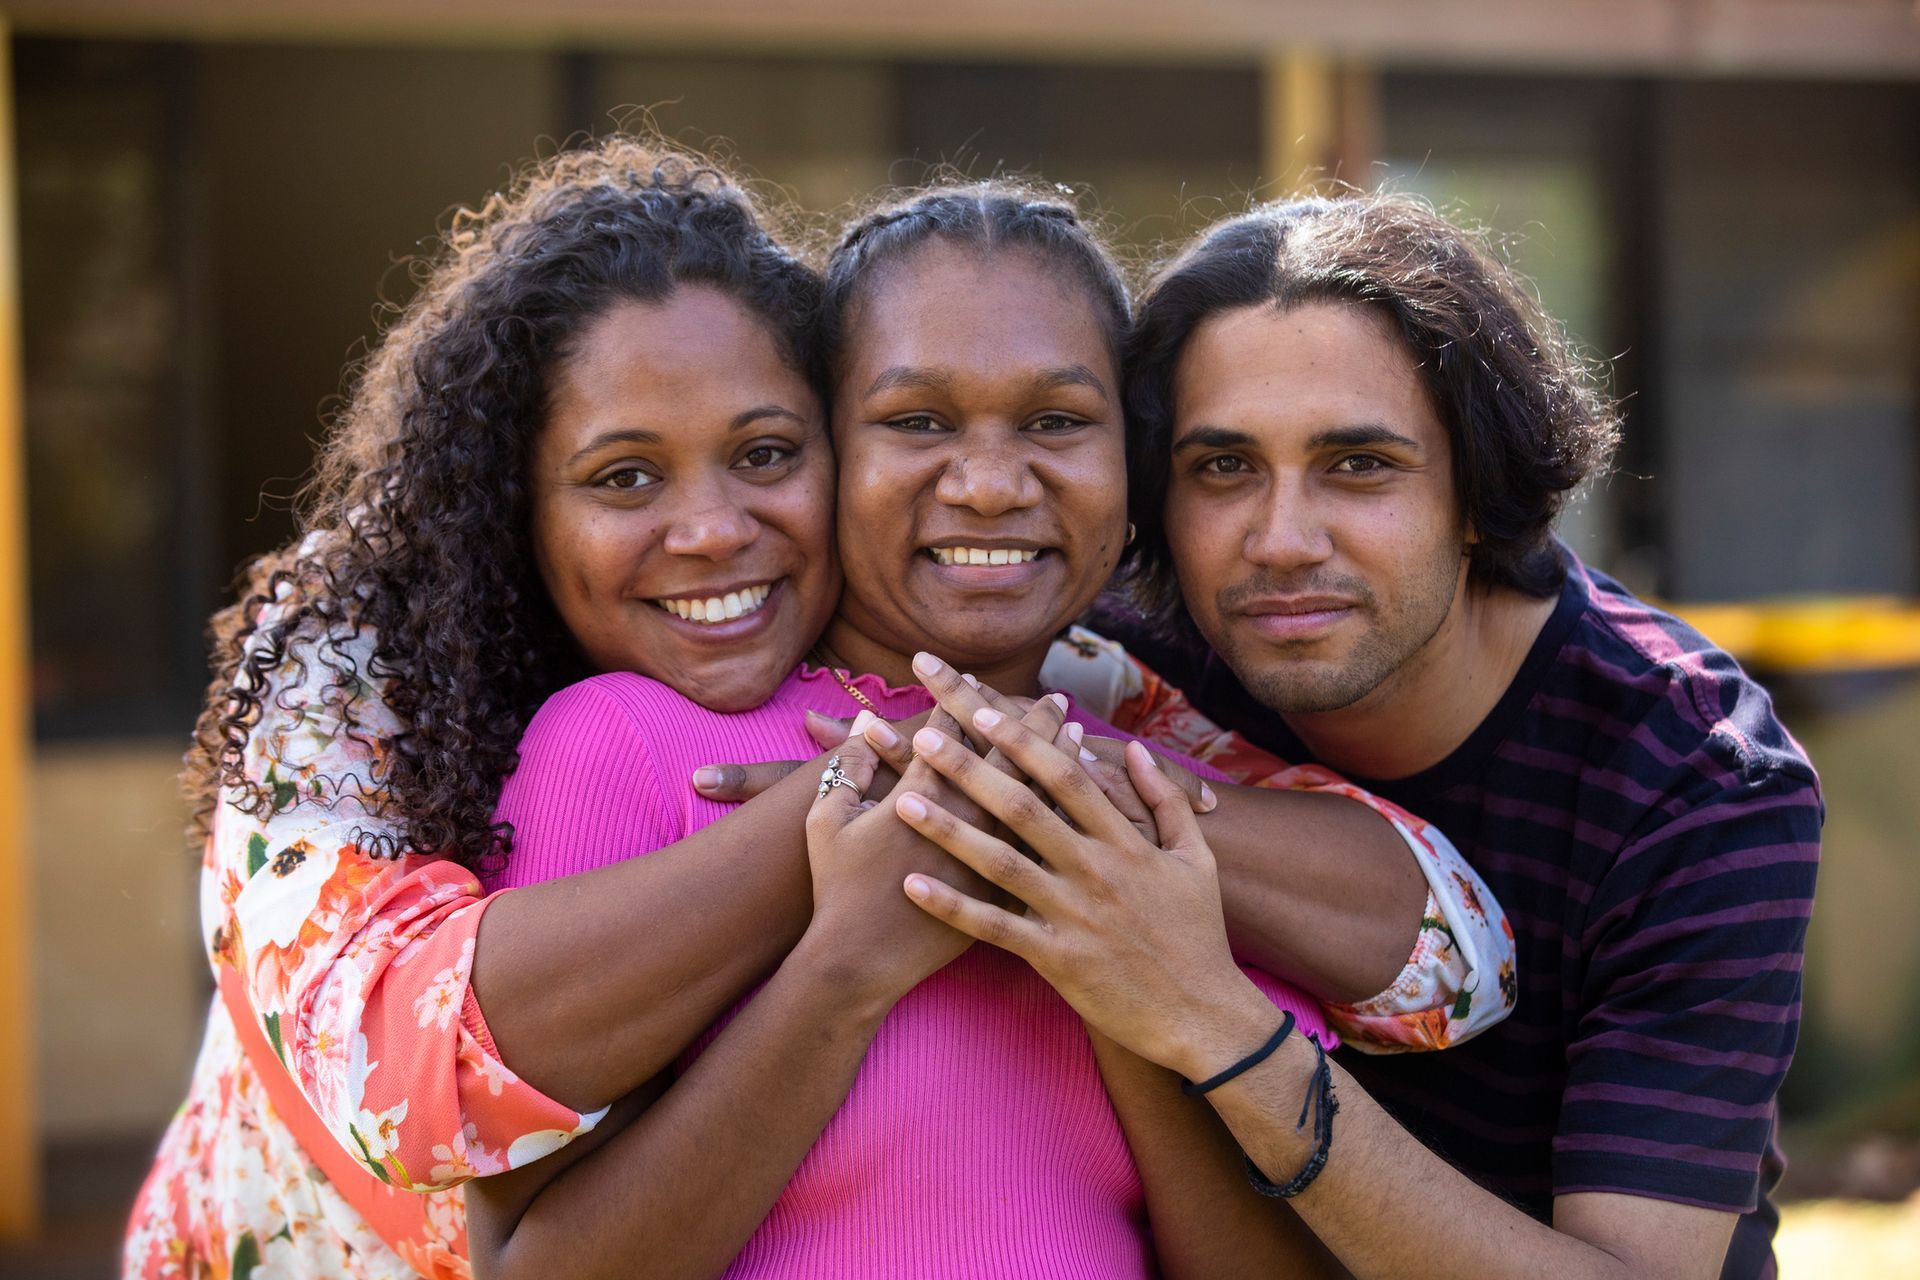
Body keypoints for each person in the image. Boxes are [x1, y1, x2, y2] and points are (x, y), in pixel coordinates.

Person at [125, 145, 1503, 1279]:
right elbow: (409, 1079)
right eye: (621, 479)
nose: (712, 529)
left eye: (765, 453)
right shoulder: (410, 685)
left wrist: (1058, 827)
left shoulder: (1096, 704)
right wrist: (847, 858)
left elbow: (1446, 944)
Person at [899, 194, 1823, 1280]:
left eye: (1359, 466)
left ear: (1476, 493)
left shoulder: (1696, 777)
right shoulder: (1134, 643)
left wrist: (1214, 1022)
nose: (1281, 542)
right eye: (1223, 468)